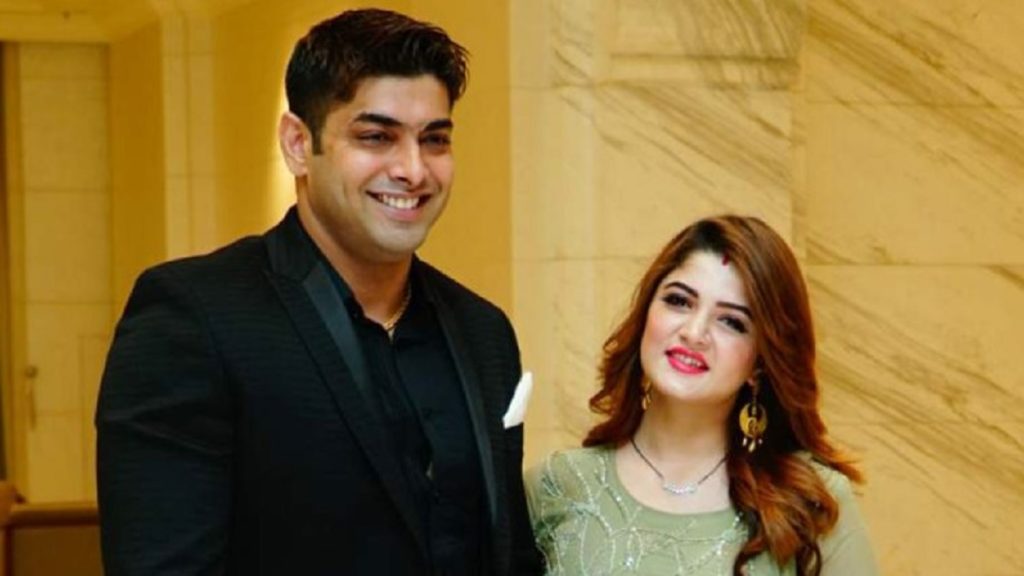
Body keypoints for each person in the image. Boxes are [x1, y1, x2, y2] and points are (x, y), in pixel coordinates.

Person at [96, 8, 542, 575]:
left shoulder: (483, 331)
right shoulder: (194, 317)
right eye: (376, 137)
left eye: (434, 140)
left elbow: (509, 553)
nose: (413, 169)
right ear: (298, 144)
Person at [526, 215, 879, 575]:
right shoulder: (556, 488)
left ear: (760, 363)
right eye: (679, 301)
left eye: (732, 322)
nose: (694, 333)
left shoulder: (810, 504)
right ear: (646, 312)